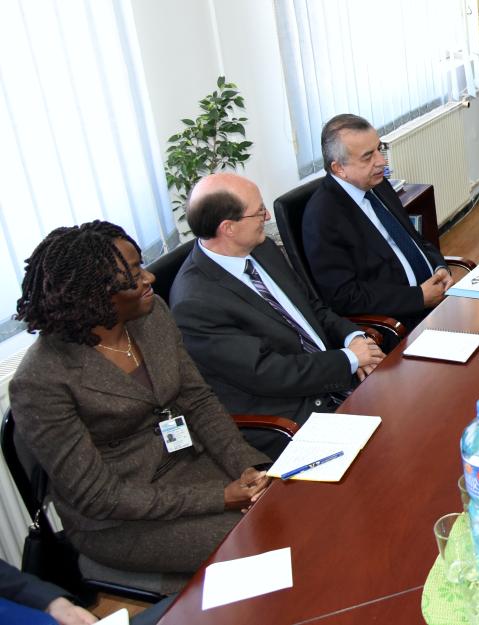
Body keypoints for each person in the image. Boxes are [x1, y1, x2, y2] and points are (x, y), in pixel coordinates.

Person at [10, 221, 270, 590]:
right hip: (123, 520)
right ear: (94, 295)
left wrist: (249, 468)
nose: (149, 277)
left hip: (193, 466)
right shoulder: (42, 380)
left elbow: (197, 400)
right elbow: (99, 497)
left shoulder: (151, 315)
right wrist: (220, 497)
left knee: (285, 507)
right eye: (133, 275)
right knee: (263, 540)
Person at [169, 173, 385, 456]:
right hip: (293, 412)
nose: (267, 215)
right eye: (259, 211)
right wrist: (349, 358)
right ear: (228, 228)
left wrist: (353, 337)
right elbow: (268, 373)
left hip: (336, 375)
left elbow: (312, 308)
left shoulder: (263, 249)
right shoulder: (195, 302)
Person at [302, 114, 452, 329]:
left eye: (379, 149)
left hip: (437, 297)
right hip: (400, 321)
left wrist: (439, 266)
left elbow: (414, 239)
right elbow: (344, 296)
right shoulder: (323, 217)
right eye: (368, 156)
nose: (381, 161)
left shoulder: (377, 184)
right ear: (338, 169)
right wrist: (418, 297)